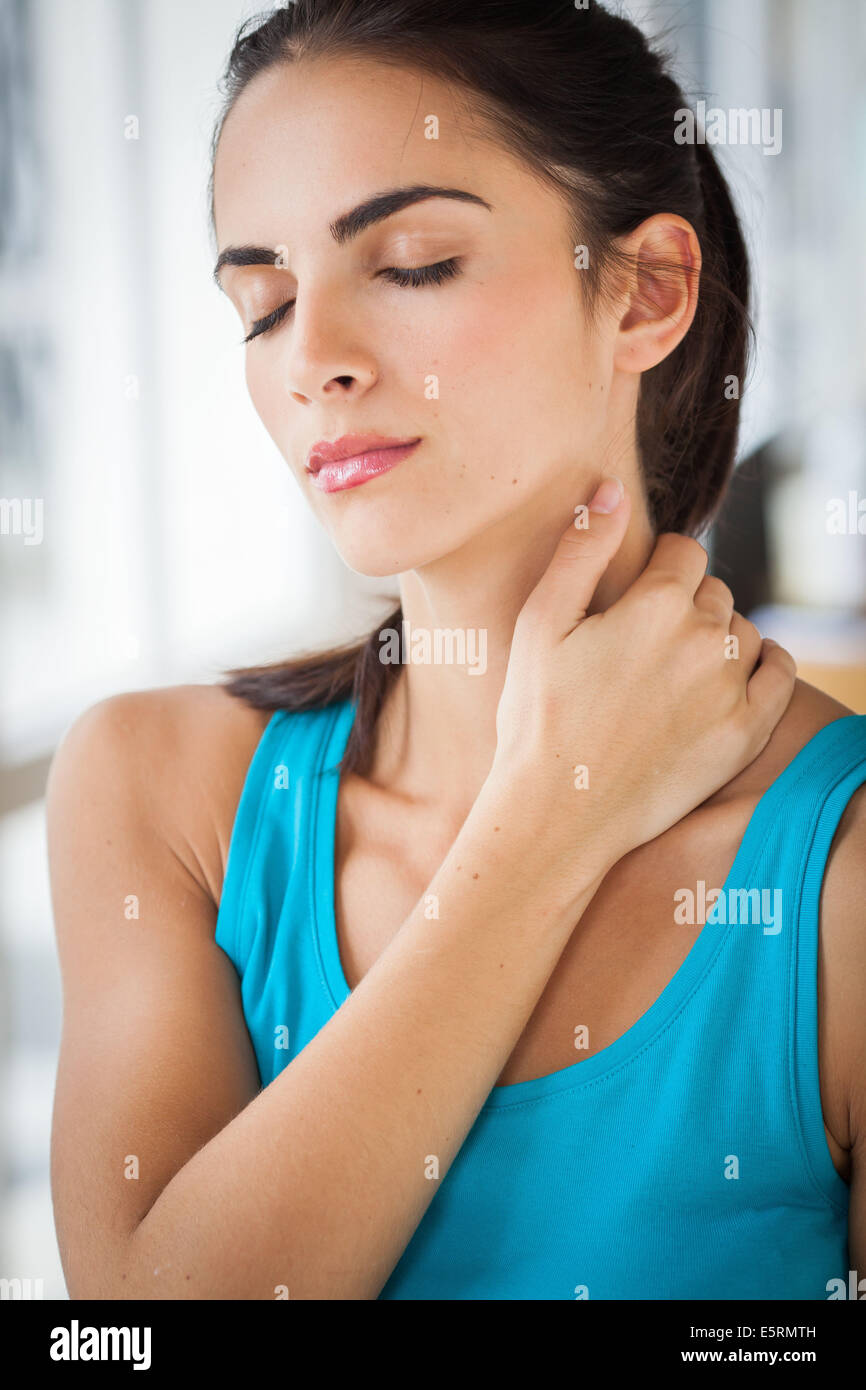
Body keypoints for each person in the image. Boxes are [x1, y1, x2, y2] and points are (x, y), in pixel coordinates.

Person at [47, 0, 866, 1300]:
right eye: (260, 302)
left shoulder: (839, 878)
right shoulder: (157, 789)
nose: (311, 358)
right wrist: (544, 827)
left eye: (413, 262)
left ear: (646, 293)